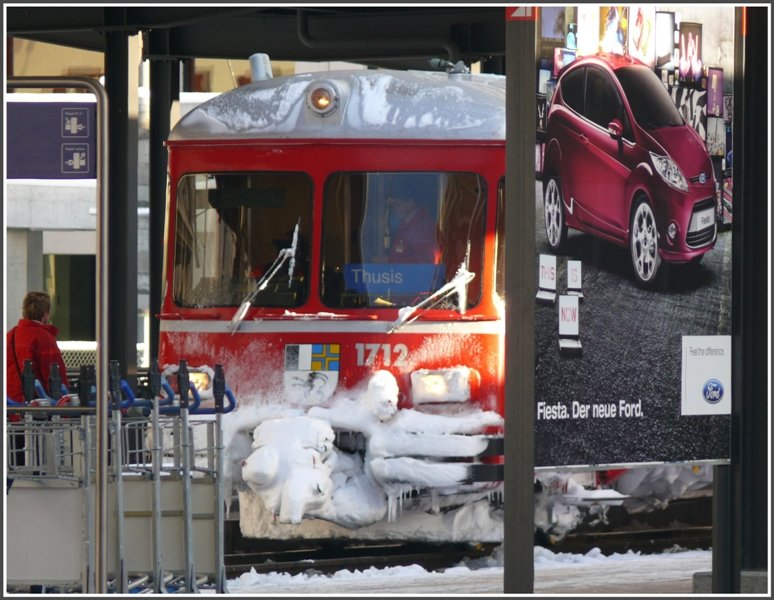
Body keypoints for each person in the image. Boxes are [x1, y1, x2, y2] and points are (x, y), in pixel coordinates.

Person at [6, 291, 70, 402]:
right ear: (45, 314)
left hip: (10, 406)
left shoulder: (10, 335)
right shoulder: (45, 339)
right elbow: (55, 378)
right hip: (34, 407)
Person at [386, 189, 442, 264]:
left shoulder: (423, 227)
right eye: (393, 206)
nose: (395, 209)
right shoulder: (408, 223)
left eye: (398, 204)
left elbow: (425, 262)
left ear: (411, 202)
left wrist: (390, 262)